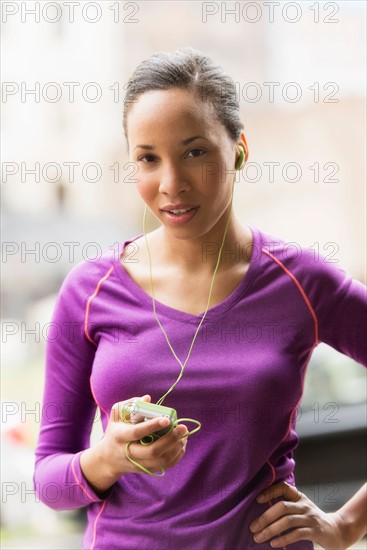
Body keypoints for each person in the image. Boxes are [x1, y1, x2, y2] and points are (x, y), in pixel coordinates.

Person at [33, 47, 367, 550]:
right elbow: (48, 480)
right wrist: (109, 457)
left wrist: (346, 525)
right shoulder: (90, 289)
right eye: (148, 158)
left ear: (238, 149)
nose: (171, 184)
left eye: (195, 152)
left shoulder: (299, 280)